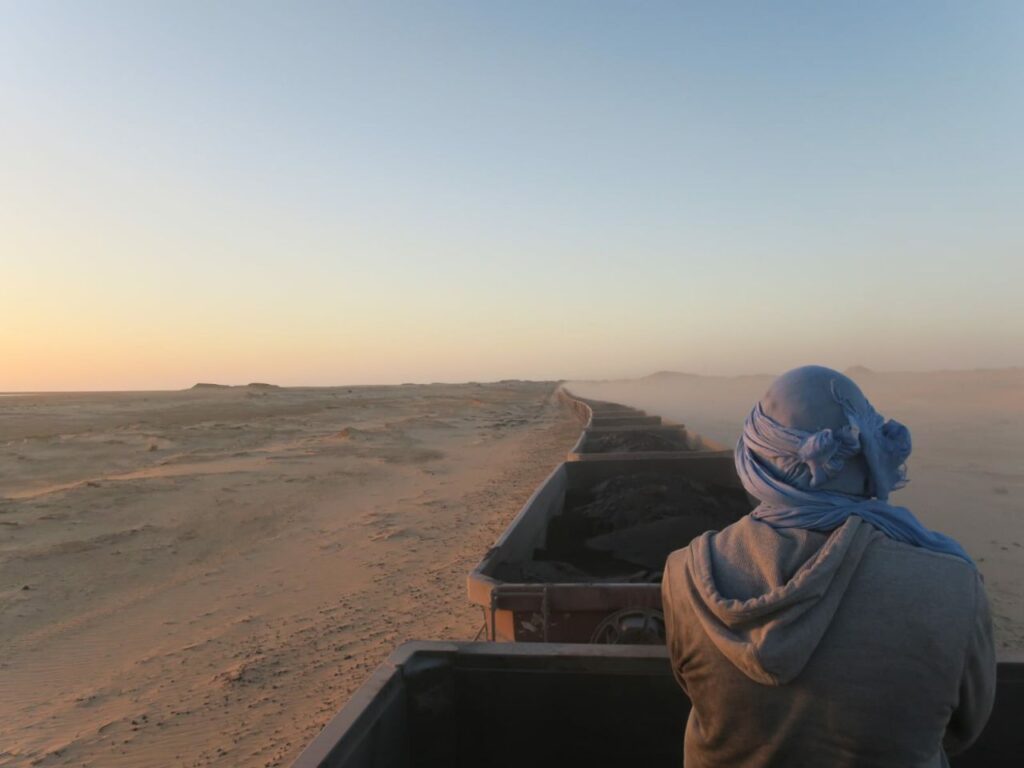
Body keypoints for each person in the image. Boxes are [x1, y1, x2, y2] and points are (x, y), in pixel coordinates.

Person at [662, 365, 995, 768]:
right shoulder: (953, 585)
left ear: (756, 461)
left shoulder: (686, 575)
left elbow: (693, 687)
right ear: (869, 456)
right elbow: (964, 728)